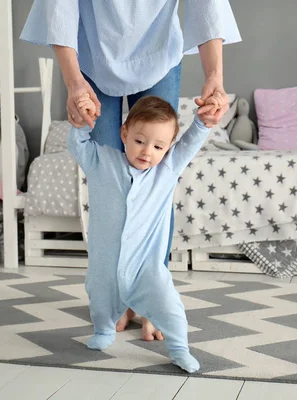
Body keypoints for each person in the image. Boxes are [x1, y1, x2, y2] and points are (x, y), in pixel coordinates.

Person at [21, 0, 241, 341]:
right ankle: (115, 295)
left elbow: (207, 6)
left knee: (156, 182)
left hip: (158, 51)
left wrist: (215, 76)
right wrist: (73, 81)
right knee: (109, 186)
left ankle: (150, 297)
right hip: (91, 55)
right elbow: (60, 10)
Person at [67, 94, 214, 372]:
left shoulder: (166, 170)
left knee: (170, 307)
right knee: (99, 299)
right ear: (124, 133)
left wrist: (203, 124)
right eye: (139, 141)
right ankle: (104, 331)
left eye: (159, 146)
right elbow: (79, 144)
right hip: (106, 264)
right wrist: (80, 124)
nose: (147, 152)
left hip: (147, 267)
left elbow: (190, 145)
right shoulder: (102, 162)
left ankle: (179, 348)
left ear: (169, 148)